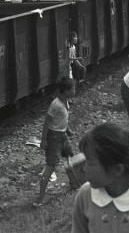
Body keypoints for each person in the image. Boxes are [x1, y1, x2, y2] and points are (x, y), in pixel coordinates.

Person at [34, 77, 75, 206]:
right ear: (66, 91)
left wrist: (68, 130)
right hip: (54, 138)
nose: (75, 91)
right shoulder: (56, 104)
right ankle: (40, 198)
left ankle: (74, 183)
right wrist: (43, 140)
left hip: (62, 136)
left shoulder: (66, 101)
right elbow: (47, 123)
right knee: (50, 167)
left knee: (70, 157)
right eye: (73, 88)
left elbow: (62, 119)